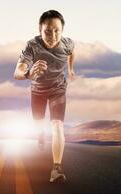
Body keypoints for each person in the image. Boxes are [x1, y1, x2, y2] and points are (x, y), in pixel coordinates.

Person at [13, 10, 75, 183]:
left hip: (58, 90)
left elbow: (71, 52)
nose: (52, 35)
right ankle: (40, 134)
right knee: (38, 125)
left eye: (57, 31)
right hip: (38, 91)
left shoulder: (67, 43)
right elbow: (16, 72)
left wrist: (70, 69)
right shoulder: (32, 46)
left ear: (62, 31)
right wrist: (28, 73)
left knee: (57, 126)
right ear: (40, 29)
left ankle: (56, 169)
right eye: (48, 31)